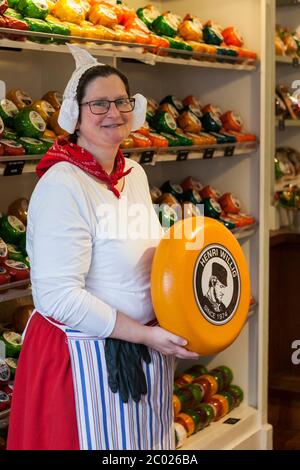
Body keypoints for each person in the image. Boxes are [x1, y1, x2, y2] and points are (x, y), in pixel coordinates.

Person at [7, 45, 198, 451]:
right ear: (75, 115)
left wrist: (195, 303)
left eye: (121, 101)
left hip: (145, 352)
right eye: (98, 104)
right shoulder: (63, 184)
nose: (114, 112)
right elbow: (58, 297)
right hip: (81, 360)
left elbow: (143, 256)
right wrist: (146, 337)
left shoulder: (135, 173)